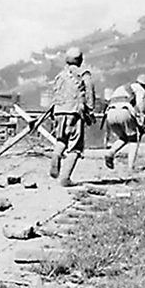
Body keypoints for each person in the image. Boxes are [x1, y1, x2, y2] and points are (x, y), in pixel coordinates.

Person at [49, 47, 90, 187]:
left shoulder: (60, 75)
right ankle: (65, 178)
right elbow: (89, 93)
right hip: (74, 112)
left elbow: (54, 93)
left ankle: (56, 155)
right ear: (81, 60)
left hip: (58, 111)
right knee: (76, 147)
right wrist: (89, 112)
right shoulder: (83, 74)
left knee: (61, 140)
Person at [103, 74, 145, 173]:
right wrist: (141, 120)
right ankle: (130, 167)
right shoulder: (140, 89)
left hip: (110, 113)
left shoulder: (122, 87)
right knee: (133, 139)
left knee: (123, 137)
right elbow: (140, 104)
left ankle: (110, 152)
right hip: (124, 111)